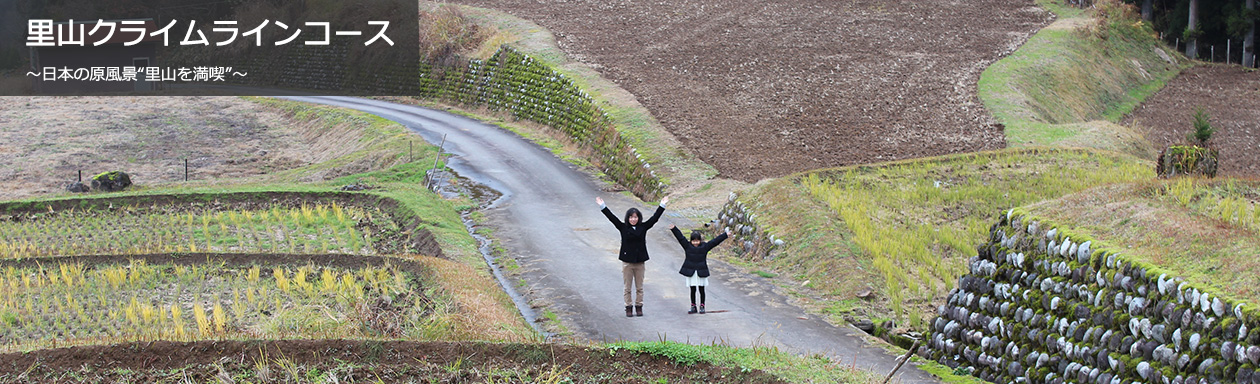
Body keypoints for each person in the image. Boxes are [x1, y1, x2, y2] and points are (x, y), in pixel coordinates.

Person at [597, 195, 668, 317]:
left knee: (639, 287)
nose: (633, 219)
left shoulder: (643, 227)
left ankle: (639, 306)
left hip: (640, 261)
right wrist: (603, 206)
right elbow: (611, 218)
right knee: (627, 287)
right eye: (631, 217)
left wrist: (662, 205)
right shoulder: (623, 227)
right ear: (628, 218)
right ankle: (628, 307)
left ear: (638, 218)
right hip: (627, 262)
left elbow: (655, 218)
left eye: (635, 217)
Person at [669, 224, 730, 314]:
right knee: (692, 289)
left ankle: (702, 306)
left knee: (702, 290)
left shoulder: (705, 247)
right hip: (691, 271)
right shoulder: (687, 246)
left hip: (701, 271)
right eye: (694, 241)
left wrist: (725, 235)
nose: (696, 243)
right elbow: (680, 238)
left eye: (697, 241)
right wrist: (674, 229)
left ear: (700, 240)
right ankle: (693, 306)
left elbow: (715, 241)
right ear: (691, 241)